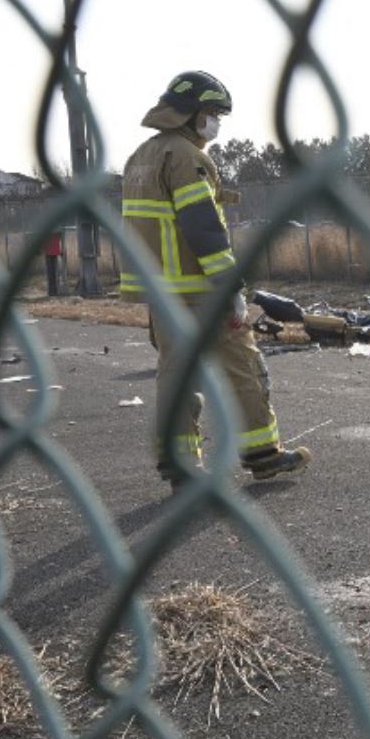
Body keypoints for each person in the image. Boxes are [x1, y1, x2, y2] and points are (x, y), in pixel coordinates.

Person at [120, 70, 311, 487]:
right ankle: (264, 455)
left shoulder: (141, 158)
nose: (216, 123)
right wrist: (230, 288)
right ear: (192, 114)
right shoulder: (188, 157)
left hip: (162, 293)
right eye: (213, 114)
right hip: (199, 290)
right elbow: (203, 227)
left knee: (176, 376)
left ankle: (180, 466)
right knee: (244, 366)